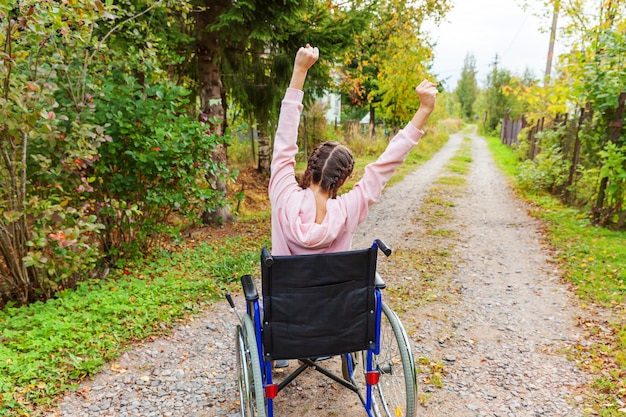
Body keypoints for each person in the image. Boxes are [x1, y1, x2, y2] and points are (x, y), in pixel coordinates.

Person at [269, 44, 438, 257]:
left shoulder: (283, 195)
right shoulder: (348, 210)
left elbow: (284, 143)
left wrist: (300, 71)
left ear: (311, 167)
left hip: (285, 291)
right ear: (344, 179)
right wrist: (424, 110)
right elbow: (384, 167)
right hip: (333, 292)